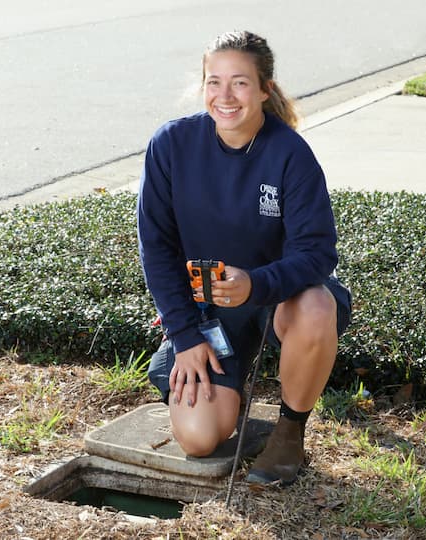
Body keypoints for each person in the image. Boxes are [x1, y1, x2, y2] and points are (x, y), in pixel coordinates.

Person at [137, 30, 351, 485]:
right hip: (209, 309)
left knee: (316, 306)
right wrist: (185, 334)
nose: (225, 96)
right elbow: (156, 249)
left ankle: (291, 431)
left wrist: (256, 284)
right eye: (214, 82)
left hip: (280, 298)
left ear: (264, 89)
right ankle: (179, 361)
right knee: (200, 437)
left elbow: (317, 252)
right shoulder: (171, 145)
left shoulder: (290, 152)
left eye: (239, 82)